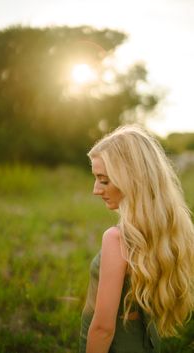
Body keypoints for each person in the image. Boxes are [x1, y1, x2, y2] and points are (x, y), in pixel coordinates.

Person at [79, 124, 194, 353]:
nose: (95, 190)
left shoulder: (116, 239)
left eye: (104, 180)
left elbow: (103, 328)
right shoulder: (166, 232)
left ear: (131, 180)